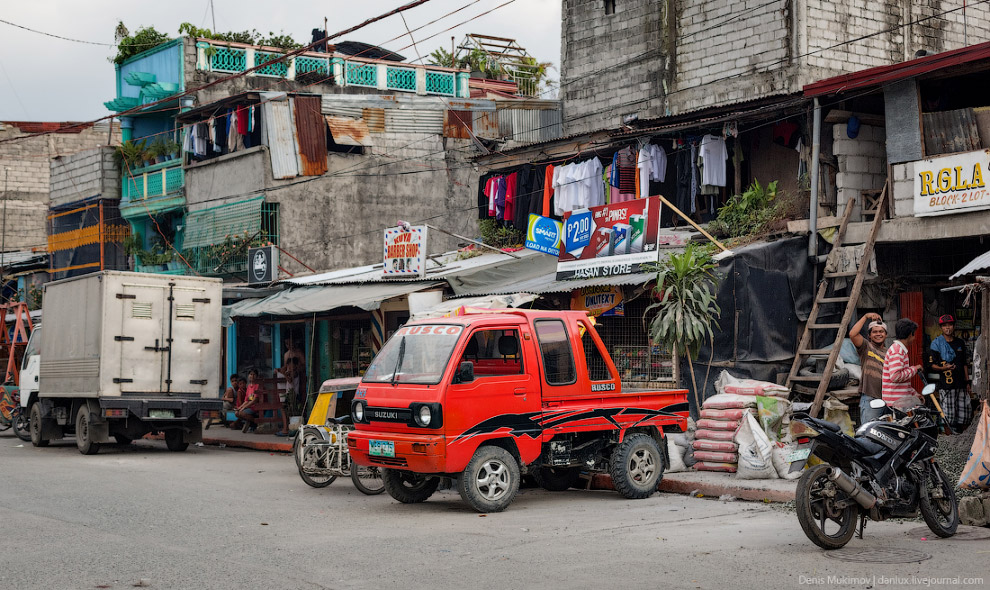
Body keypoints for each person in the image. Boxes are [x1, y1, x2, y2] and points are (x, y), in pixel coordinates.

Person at [928, 314, 972, 433]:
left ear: (954, 326)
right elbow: (932, 366)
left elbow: (964, 364)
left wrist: (967, 382)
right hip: (947, 386)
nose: (948, 328)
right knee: (948, 418)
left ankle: (964, 442)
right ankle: (949, 443)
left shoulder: (960, 343)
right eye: (945, 325)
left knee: (965, 417)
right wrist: (944, 368)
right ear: (941, 327)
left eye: (950, 325)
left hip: (961, 386)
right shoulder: (936, 343)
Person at [849, 313, 888, 424]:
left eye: (881, 331)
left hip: (887, 399)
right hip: (871, 397)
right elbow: (853, 334)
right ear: (869, 336)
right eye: (874, 332)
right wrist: (865, 317)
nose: (878, 334)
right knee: (868, 432)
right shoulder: (866, 347)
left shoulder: (888, 353)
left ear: (886, 334)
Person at [882, 319, 924, 409]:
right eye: (914, 334)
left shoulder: (899, 350)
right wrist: (915, 369)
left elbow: (903, 382)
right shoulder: (897, 351)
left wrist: (914, 394)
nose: (914, 338)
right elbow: (895, 376)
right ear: (910, 334)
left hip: (900, 402)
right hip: (895, 404)